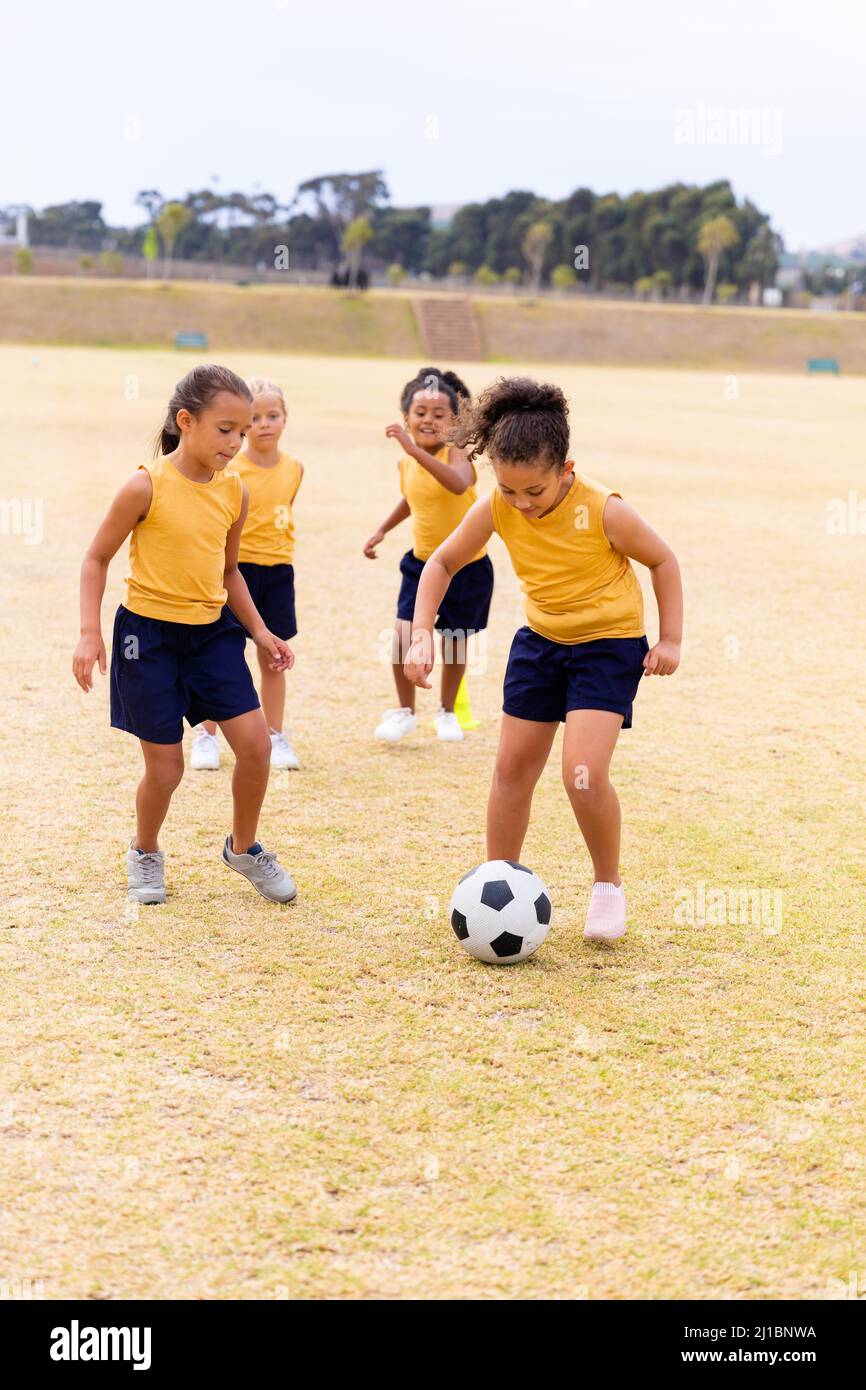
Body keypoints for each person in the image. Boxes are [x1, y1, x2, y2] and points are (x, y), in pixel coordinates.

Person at [403, 377, 682, 942]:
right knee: (510, 771)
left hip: (607, 646)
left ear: (565, 469)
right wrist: (421, 632)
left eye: (534, 491)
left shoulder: (604, 509)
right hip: (539, 643)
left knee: (581, 775)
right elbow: (440, 564)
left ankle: (607, 884)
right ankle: (495, 885)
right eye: (508, 491)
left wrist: (670, 638)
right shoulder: (498, 507)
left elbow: (663, 560)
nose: (521, 505)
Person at [72, 364, 297, 906]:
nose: (237, 441)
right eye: (226, 429)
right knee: (167, 767)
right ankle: (145, 851)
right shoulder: (145, 484)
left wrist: (262, 633)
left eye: (243, 431)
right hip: (146, 640)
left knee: (256, 747)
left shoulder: (234, 491)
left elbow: (229, 572)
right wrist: (88, 633)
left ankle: (243, 849)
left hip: (212, 637)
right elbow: (96, 557)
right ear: (185, 421)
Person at [364, 366, 494, 743]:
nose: (428, 420)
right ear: (407, 417)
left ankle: (447, 712)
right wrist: (382, 530)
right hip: (421, 563)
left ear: (454, 422)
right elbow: (413, 497)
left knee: (454, 641)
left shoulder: (457, 454)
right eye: (420, 413)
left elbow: (455, 486)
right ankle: (405, 711)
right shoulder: (407, 462)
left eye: (440, 415)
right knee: (403, 637)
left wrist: (412, 450)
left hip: (466, 566)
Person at [191, 377, 303, 771]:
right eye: (254, 418)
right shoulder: (229, 468)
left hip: (277, 573)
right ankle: (206, 735)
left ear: (285, 419)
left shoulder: (294, 468)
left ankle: (275, 735)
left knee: (273, 657)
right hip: (233, 572)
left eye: (273, 415)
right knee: (221, 654)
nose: (264, 424)